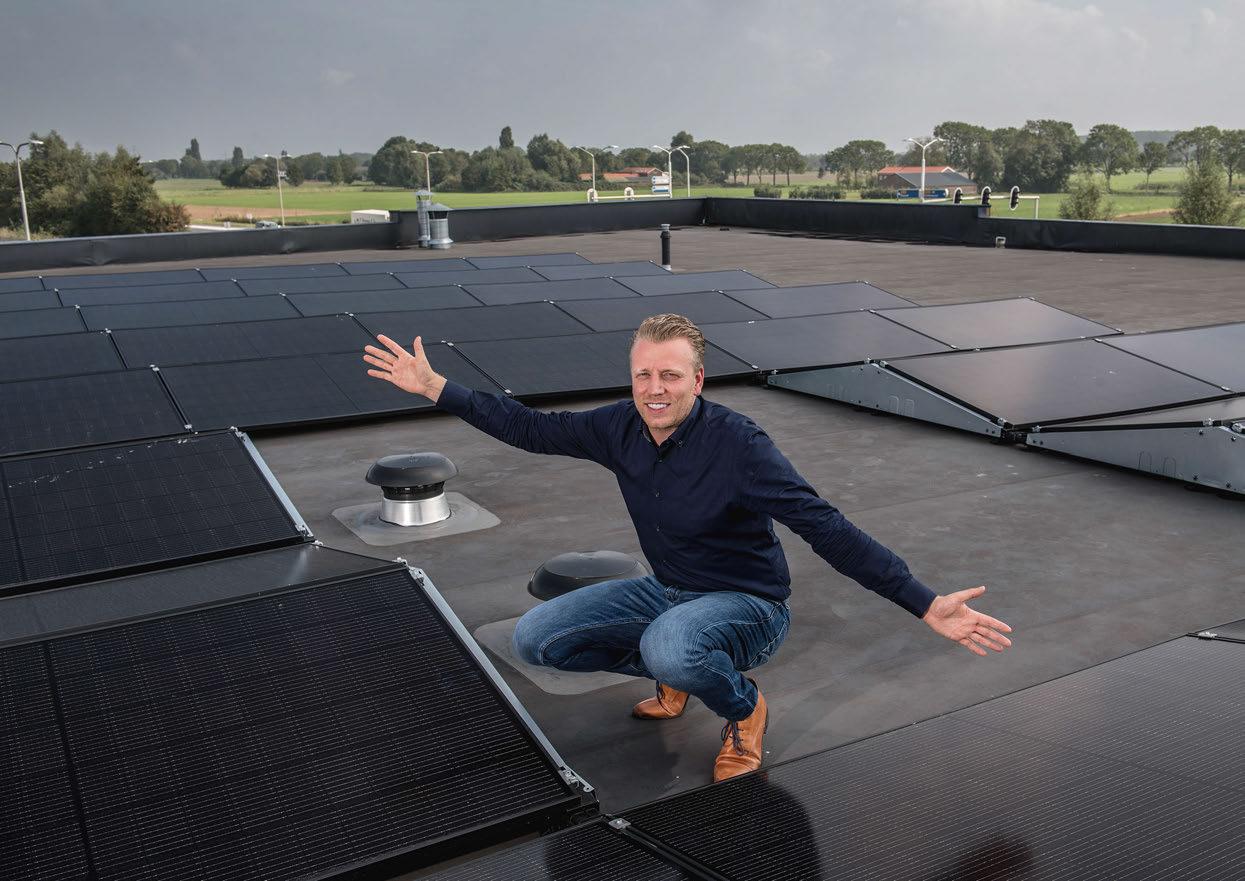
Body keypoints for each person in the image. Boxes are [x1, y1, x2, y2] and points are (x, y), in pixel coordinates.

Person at [363, 313, 1012, 782]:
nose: (654, 388)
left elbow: (826, 527)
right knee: (536, 640)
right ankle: (675, 670)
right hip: (667, 590)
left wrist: (923, 601)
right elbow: (531, 428)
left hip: (749, 604)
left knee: (669, 646)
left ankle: (743, 706)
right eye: (643, 374)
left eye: (669, 375)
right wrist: (438, 388)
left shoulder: (740, 446)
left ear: (697, 380)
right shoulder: (619, 426)